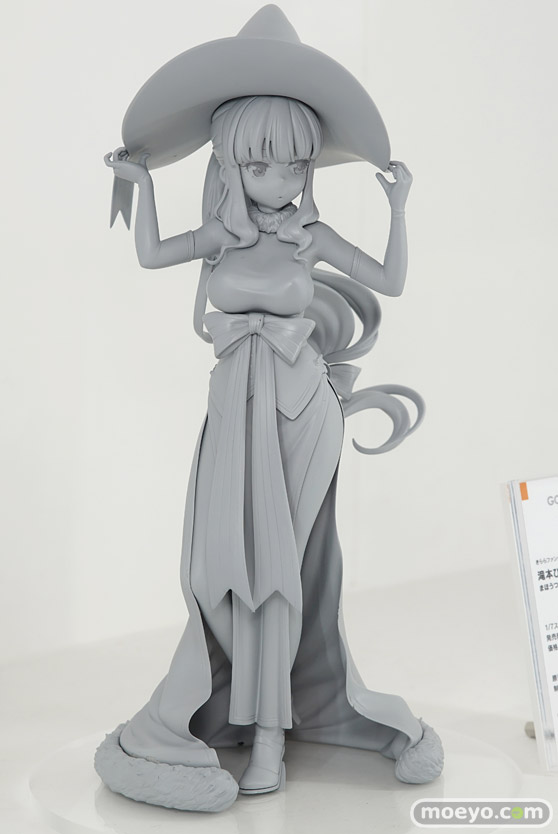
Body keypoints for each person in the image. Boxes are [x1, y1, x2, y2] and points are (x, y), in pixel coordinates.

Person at [95, 6, 443, 814]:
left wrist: (399, 207)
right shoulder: (219, 236)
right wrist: (141, 185)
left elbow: (389, 281)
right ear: (230, 162)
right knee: (218, 568)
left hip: (299, 409)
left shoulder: (310, 238)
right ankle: (220, 709)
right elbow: (150, 254)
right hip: (234, 405)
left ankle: (270, 736)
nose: (282, 182)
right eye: (262, 165)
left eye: (296, 166)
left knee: (279, 571)